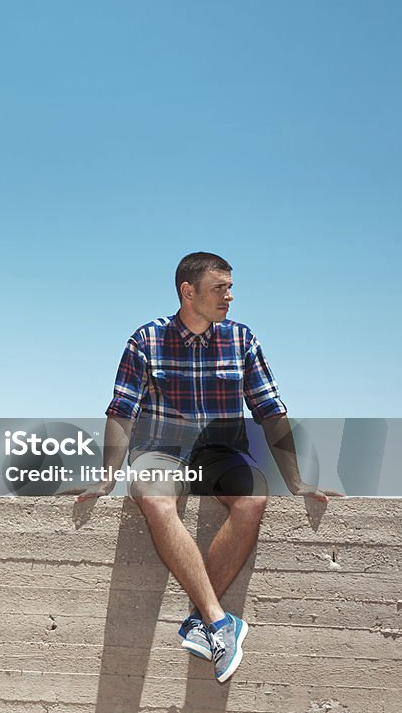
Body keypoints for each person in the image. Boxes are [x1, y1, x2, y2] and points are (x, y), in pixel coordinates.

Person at [69, 252, 342, 684]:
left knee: (253, 497)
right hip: (160, 450)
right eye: (221, 288)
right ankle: (219, 622)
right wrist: (107, 477)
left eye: (231, 287)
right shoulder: (146, 339)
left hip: (219, 452)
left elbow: (269, 409)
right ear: (188, 291)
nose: (230, 297)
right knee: (157, 500)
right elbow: (121, 411)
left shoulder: (241, 339)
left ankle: (201, 620)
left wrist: (296, 480)